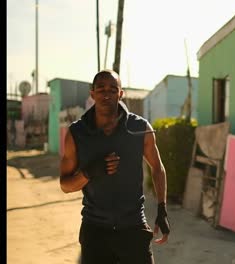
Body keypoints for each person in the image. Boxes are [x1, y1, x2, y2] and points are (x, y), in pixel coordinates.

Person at [60, 69, 170, 263]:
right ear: (92, 93)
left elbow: (158, 168)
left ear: (121, 93)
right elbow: (65, 185)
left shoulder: (140, 128)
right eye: (101, 89)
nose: (106, 94)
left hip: (133, 226)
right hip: (95, 230)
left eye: (113, 89)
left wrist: (162, 208)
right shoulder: (77, 133)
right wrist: (89, 172)